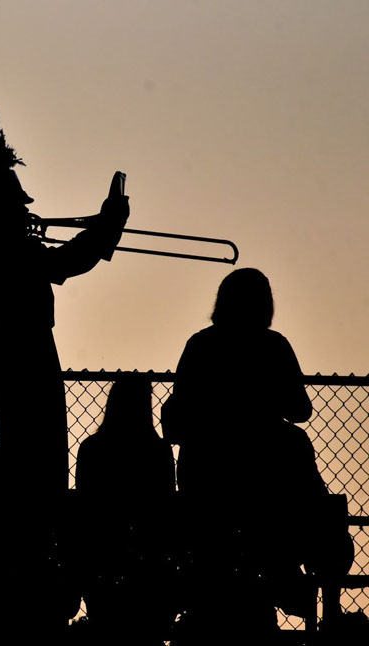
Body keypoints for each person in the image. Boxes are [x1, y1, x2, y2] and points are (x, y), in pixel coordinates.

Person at [0, 90, 128, 642]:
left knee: (26, 455)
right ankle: (30, 559)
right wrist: (108, 225)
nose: (30, 212)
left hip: (17, 357)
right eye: (21, 206)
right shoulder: (3, 252)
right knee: (38, 458)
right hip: (25, 356)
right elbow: (69, 264)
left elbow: (60, 262)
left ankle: (27, 552)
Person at [161, 268, 316, 641]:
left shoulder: (201, 345)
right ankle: (285, 579)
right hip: (264, 483)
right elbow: (301, 410)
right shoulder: (274, 346)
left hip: (207, 476)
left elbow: (176, 417)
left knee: (213, 552)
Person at [75, 373, 177, 644]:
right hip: (149, 558)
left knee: (106, 630)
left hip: (102, 554)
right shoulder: (158, 451)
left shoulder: (92, 449)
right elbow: (166, 505)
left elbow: (85, 506)